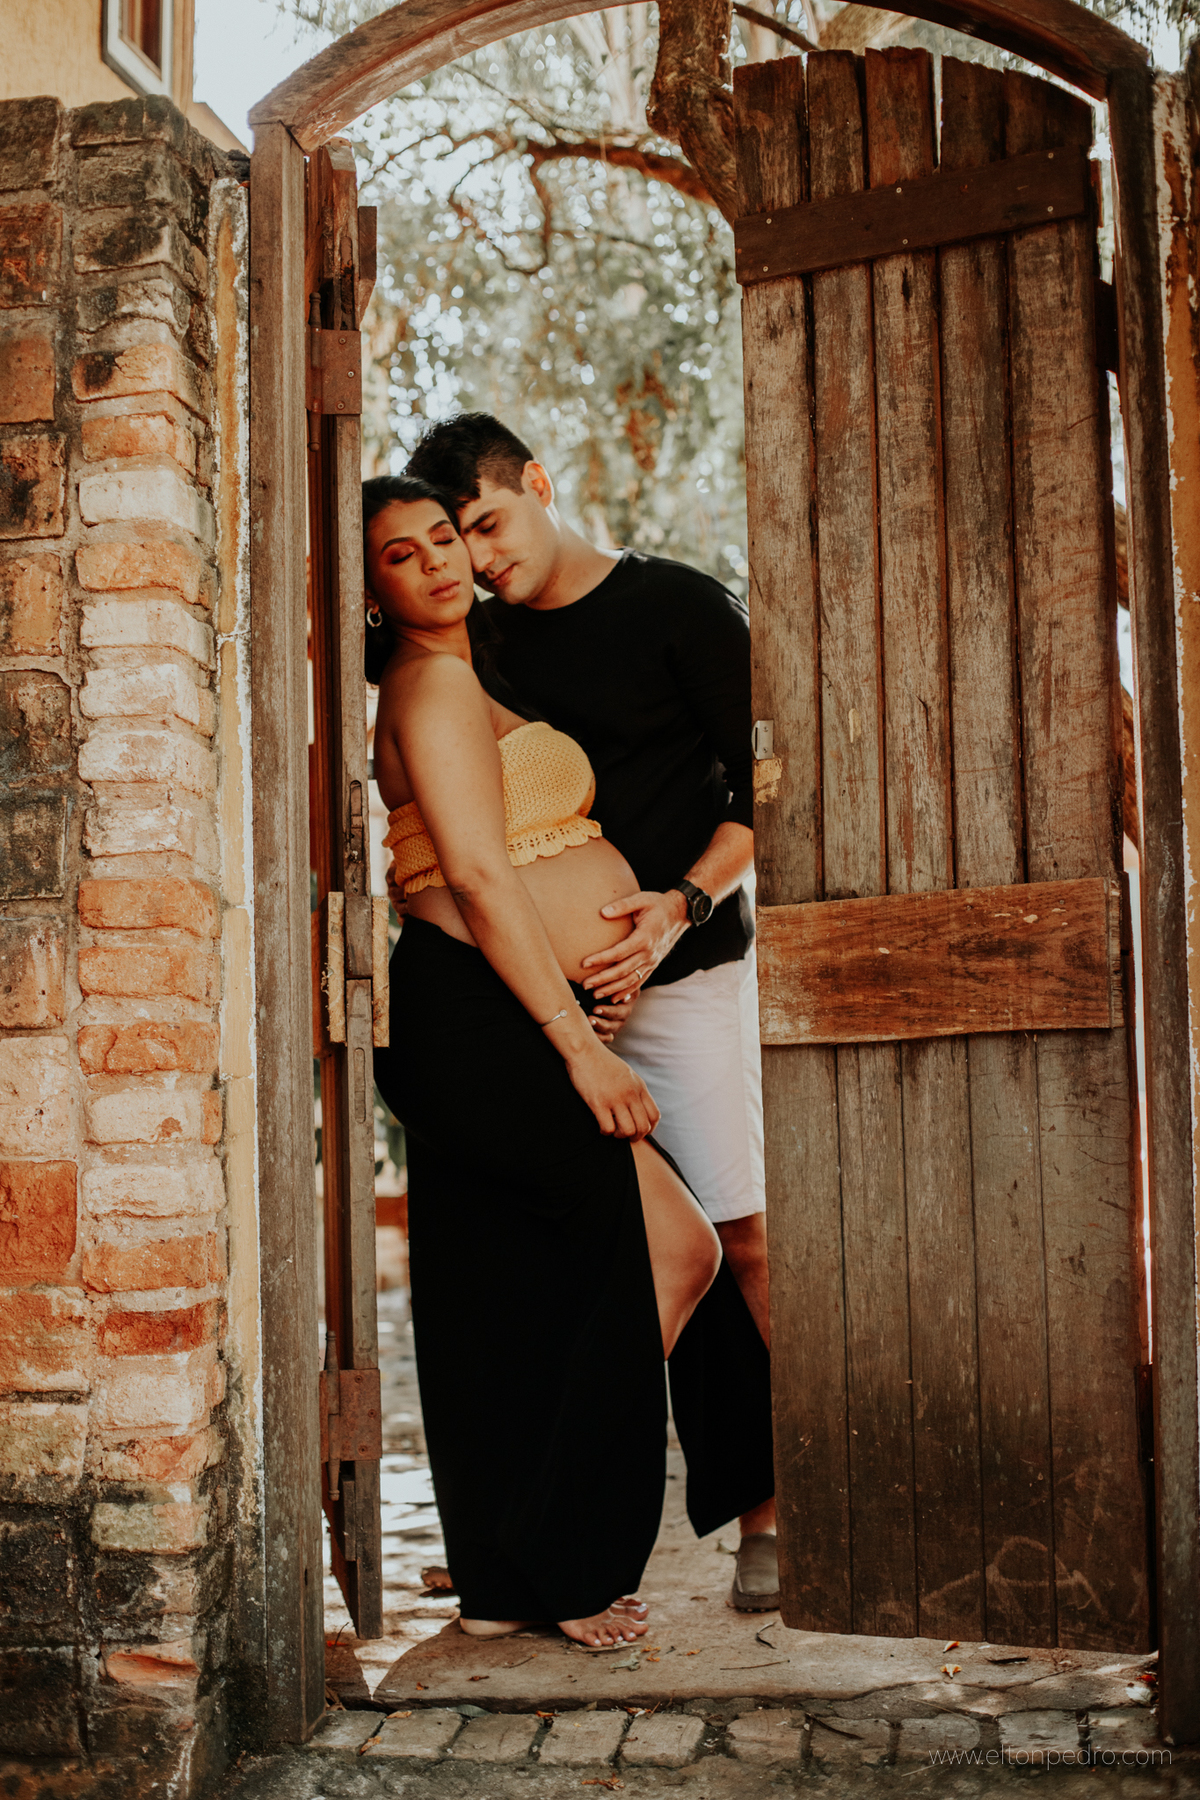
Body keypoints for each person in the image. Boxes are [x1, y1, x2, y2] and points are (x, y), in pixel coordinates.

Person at [365, 475, 772, 1647]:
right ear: (373, 593)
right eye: (403, 555)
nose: (441, 562)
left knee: (542, 1290)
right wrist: (576, 1047)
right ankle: (558, 1557)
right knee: (674, 1249)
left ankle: (512, 1569)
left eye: (445, 537)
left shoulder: (469, 669)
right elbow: (480, 877)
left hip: (507, 1010)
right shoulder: (432, 683)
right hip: (483, 1019)